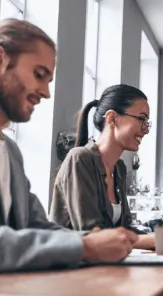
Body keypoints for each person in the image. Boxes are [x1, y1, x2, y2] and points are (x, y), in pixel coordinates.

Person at [0, 19, 138, 272]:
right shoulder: (81, 158)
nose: (46, 92)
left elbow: (36, 226)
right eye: (39, 75)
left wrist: (90, 242)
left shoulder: (9, 152)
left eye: (49, 81)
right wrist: (84, 247)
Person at [49, 84, 163, 250]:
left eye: (147, 122)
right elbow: (92, 235)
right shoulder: (80, 159)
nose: (146, 130)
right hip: (72, 270)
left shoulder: (118, 169)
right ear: (112, 118)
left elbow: (126, 229)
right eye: (141, 119)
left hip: (105, 266)